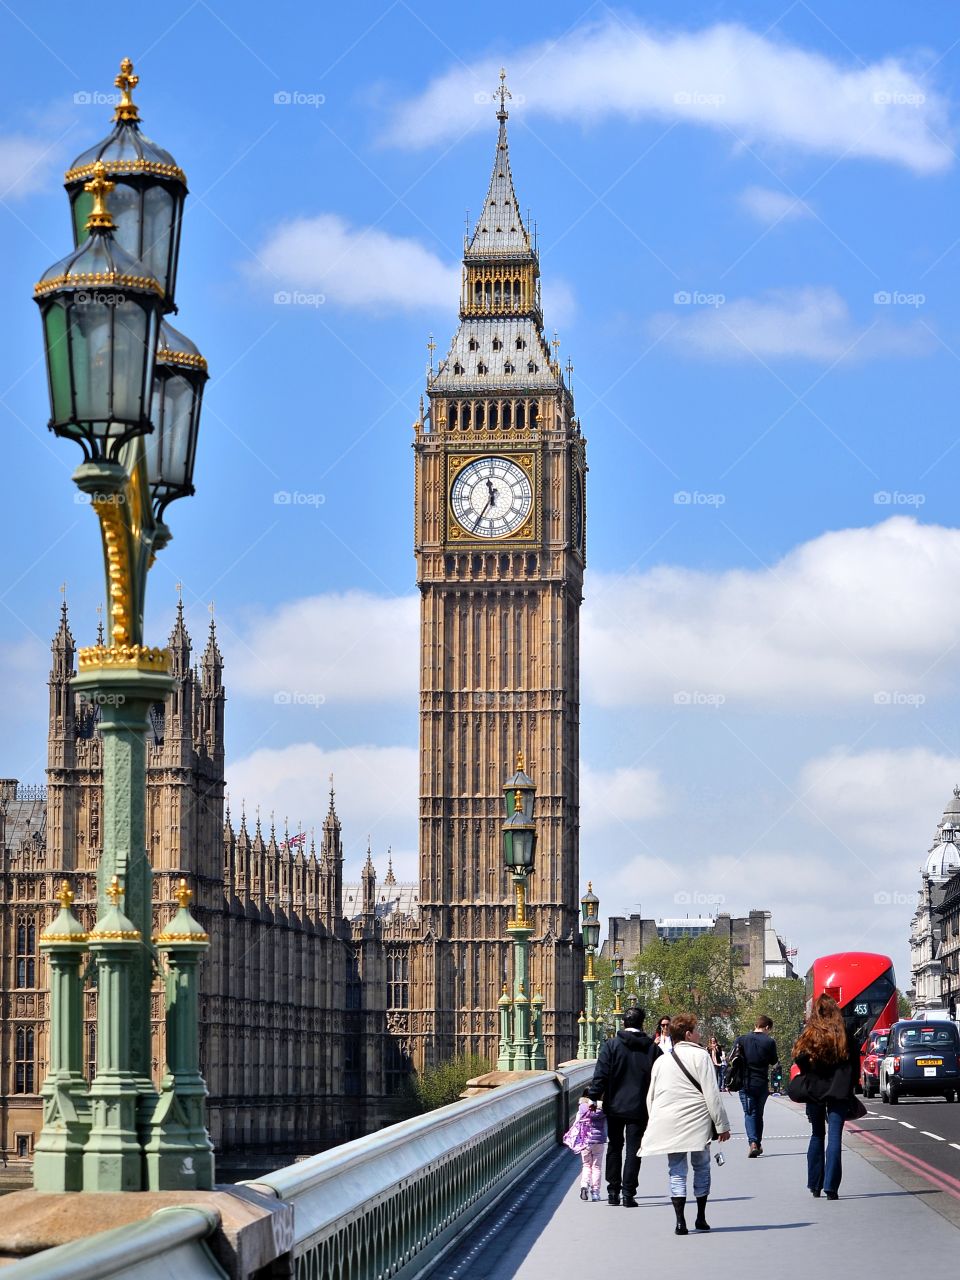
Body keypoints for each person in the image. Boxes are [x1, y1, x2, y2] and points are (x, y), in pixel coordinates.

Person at [640, 1013, 731, 1235]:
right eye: (697, 1030)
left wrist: (656, 1121)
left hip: (669, 1123)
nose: (699, 1034)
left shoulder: (661, 1060)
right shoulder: (701, 1057)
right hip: (698, 1121)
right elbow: (712, 1094)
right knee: (701, 1167)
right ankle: (701, 1216)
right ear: (688, 1034)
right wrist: (722, 1125)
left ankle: (680, 1221)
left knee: (677, 1171)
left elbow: (650, 1097)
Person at [589, 1005, 661, 1207]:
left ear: (624, 1023)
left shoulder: (611, 1046)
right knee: (634, 1150)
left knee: (614, 1146)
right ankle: (628, 1194)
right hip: (640, 1107)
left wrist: (594, 1097)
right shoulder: (653, 1049)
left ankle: (613, 1192)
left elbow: (601, 1074)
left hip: (614, 1105)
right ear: (642, 1023)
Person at [792, 994, 859, 1199]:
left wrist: (810, 1069)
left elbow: (798, 1058)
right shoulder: (844, 1033)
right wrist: (851, 1085)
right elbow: (855, 1064)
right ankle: (831, 1187)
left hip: (814, 1091)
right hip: (838, 1092)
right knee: (835, 1137)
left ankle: (815, 1184)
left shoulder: (810, 1033)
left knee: (817, 1134)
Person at [733, 1015, 779, 1156]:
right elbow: (774, 1062)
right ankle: (757, 1143)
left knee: (749, 1113)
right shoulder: (769, 1042)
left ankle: (753, 1143)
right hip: (762, 1084)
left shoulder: (741, 1040)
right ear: (767, 1027)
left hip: (746, 1083)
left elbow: (733, 1059)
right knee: (759, 1114)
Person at [573, 1093, 608, 1202]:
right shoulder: (602, 1109)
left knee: (586, 1165)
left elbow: (576, 1124)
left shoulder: (582, 1108)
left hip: (585, 1141)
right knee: (596, 1167)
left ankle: (584, 1185)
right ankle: (595, 1193)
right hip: (599, 1141)